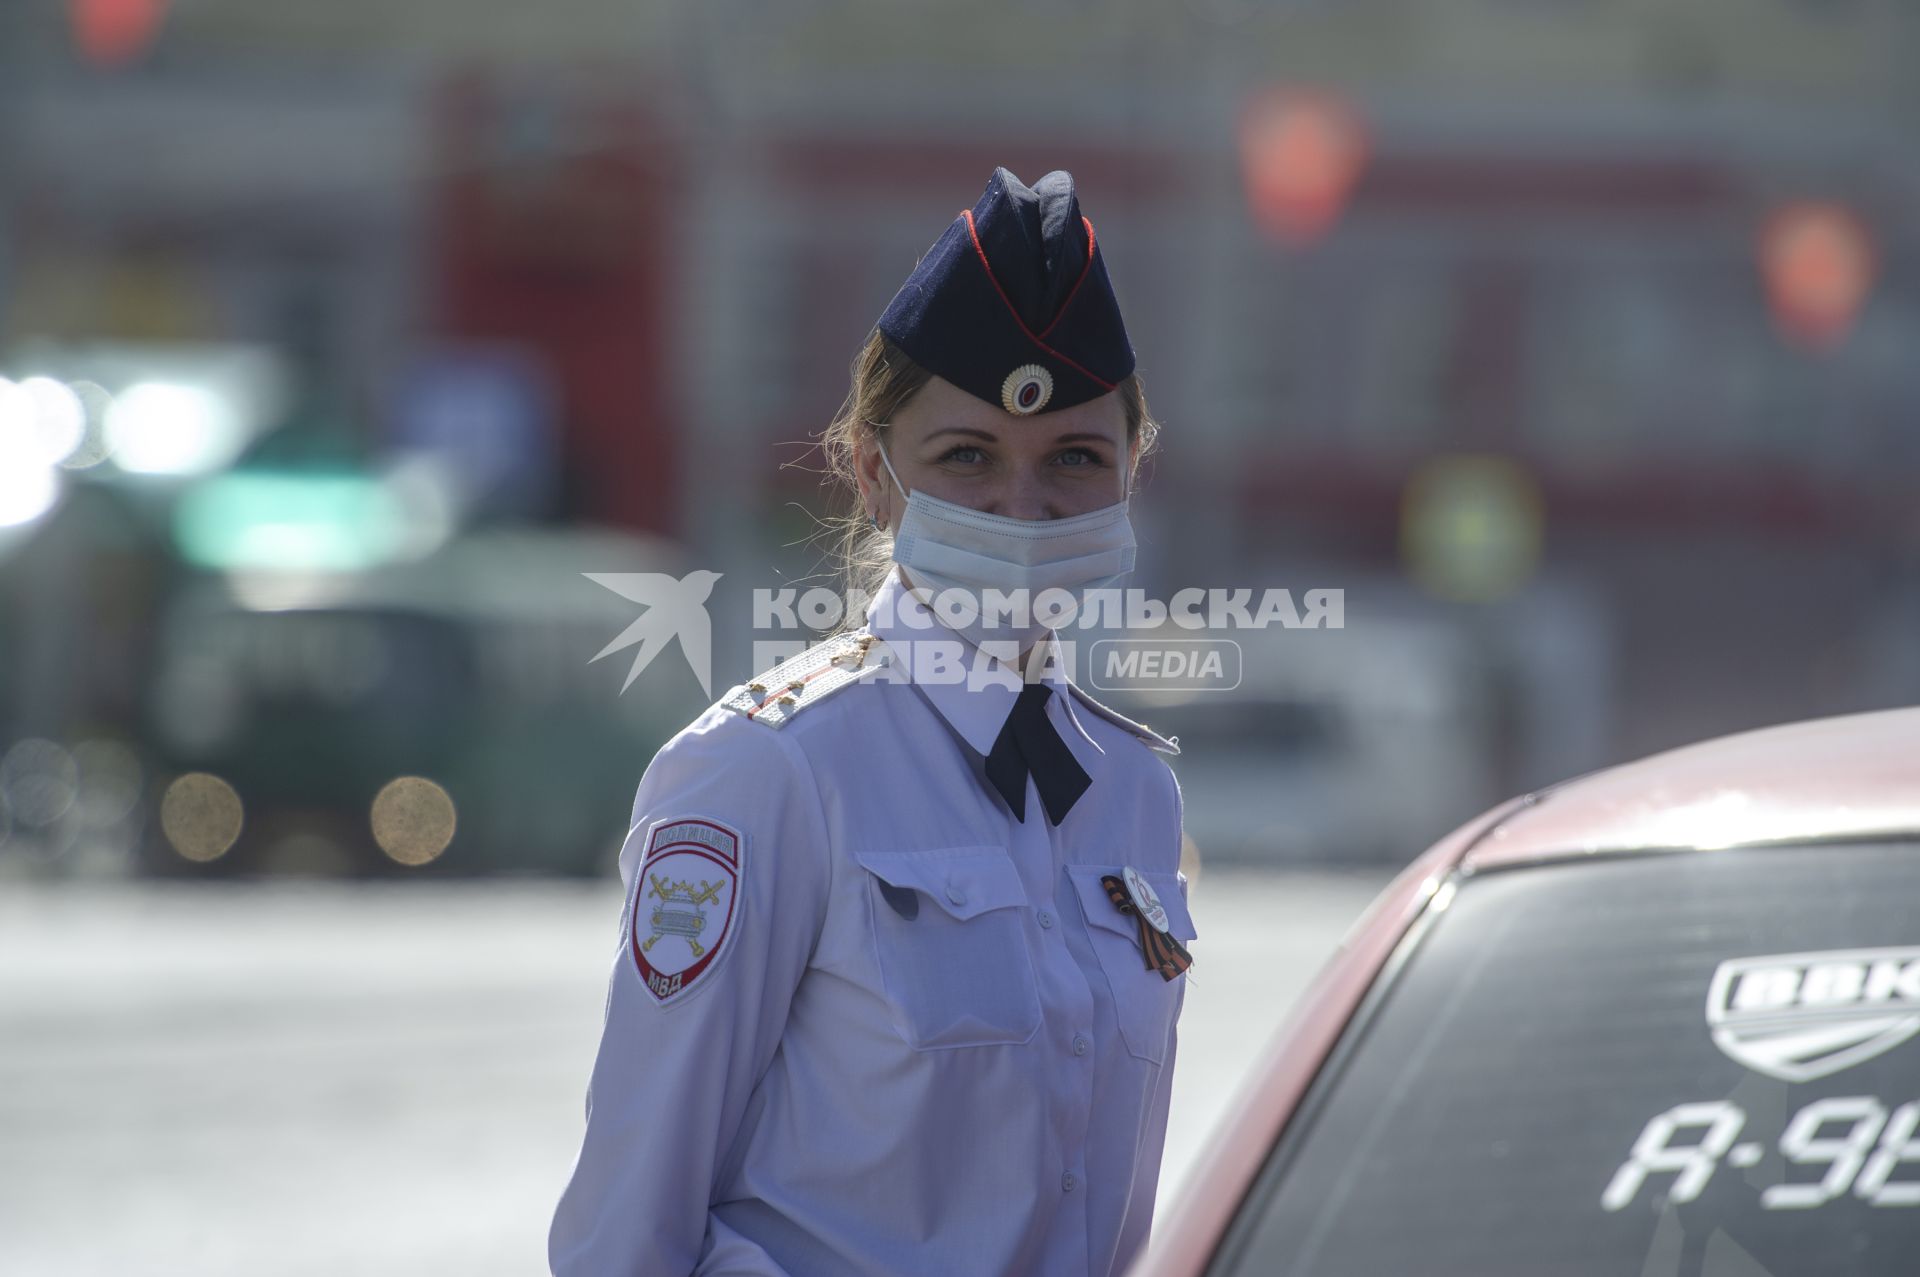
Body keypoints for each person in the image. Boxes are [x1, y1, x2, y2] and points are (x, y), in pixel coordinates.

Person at [550, 166, 1196, 1277]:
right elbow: (626, 1235)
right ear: (875, 474)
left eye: (1075, 459)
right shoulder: (768, 771)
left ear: (1134, 469)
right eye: (967, 457)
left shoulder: (1134, 791)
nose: (1024, 506)